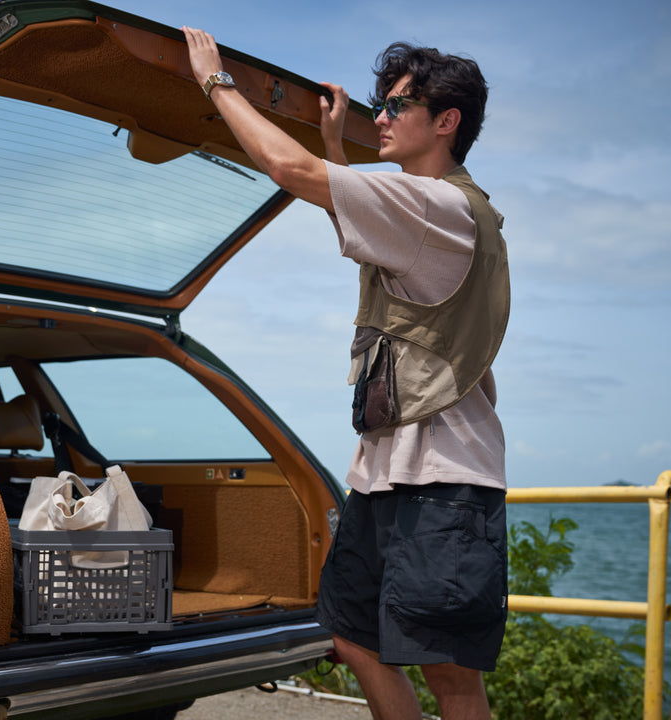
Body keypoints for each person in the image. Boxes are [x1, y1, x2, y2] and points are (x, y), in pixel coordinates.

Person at [183, 27, 510, 720]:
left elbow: (288, 168)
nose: (381, 118)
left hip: (445, 482)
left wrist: (215, 81)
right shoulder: (418, 209)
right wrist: (335, 147)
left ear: (446, 122)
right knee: (353, 637)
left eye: (397, 106)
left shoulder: (440, 205)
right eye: (381, 105)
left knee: (450, 673)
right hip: (386, 476)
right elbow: (352, 213)